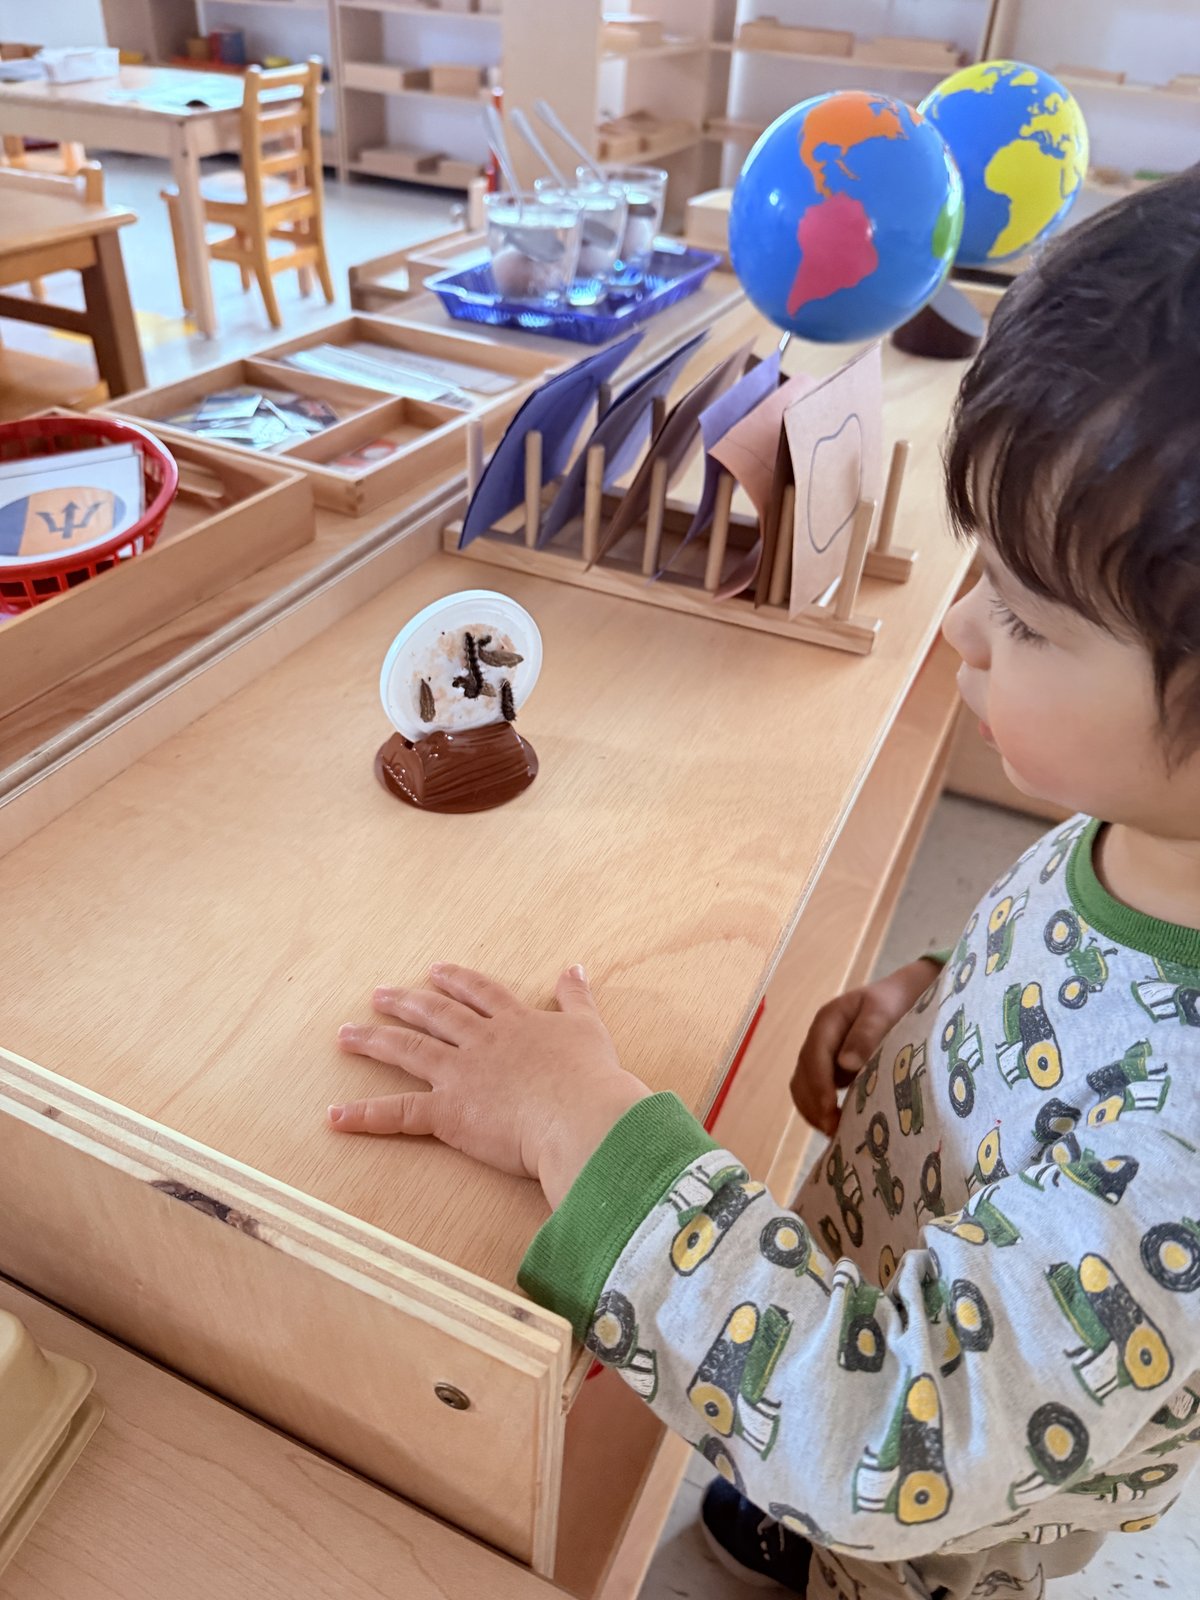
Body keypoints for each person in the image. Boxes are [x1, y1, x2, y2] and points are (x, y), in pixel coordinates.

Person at [327, 168, 1200, 1600]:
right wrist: (930, 999)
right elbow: (1071, 955)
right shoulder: (1154, 828)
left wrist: (582, 1122)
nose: (964, 627)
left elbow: (890, 1432)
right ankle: (760, 1517)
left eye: (1030, 620)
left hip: (927, 1523)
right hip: (879, 1260)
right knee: (777, 1480)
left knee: (843, 1524)